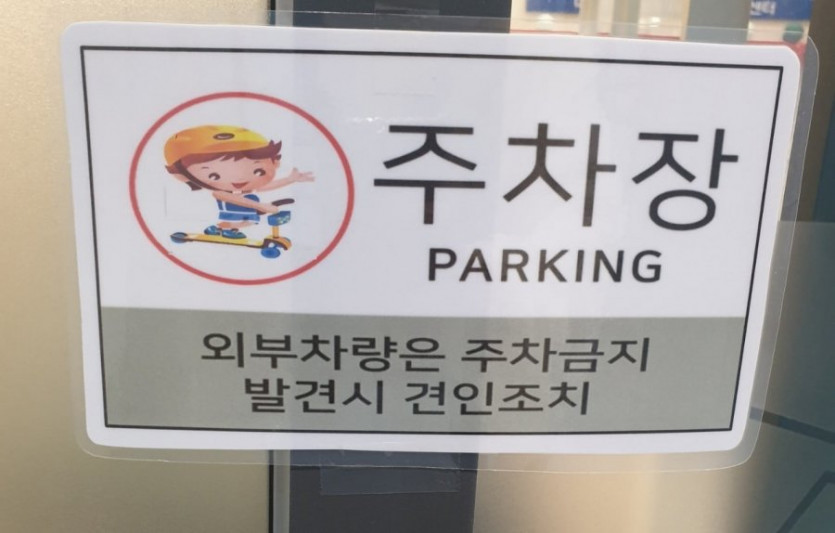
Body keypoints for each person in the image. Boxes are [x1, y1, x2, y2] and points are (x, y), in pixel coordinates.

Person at [164, 125, 313, 239]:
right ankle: (222, 229)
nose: (240, 179)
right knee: (239, 221)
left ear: (275, 163)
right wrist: (259, 205)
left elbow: (265, 187)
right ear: (182, 175)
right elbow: (228, 197)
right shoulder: (221, 192)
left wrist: (289, 180)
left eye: (258, 171)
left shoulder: (248, 190)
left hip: (247, 210)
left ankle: (222, 229)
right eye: (214, 176)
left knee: (250, 222)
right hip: (232, 210)